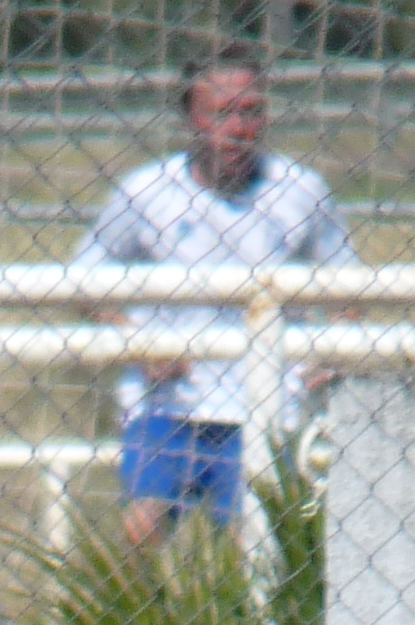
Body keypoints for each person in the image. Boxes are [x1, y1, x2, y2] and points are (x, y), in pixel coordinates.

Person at [75, 43, 354, 549]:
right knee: (140, 531)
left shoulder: (300, 190)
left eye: (252, 111)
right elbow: (84, 283)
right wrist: (138, 344)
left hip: (269, 404)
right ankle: (132, 606)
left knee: (262, 546)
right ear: (190, 117)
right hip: (169, 404)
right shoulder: (146, 192)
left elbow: (349, 288)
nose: (239, 128)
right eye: (222, 113)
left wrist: (331, 352)